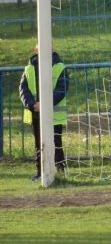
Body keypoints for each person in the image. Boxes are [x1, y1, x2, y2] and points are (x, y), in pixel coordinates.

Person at [19, 44, 69, 181]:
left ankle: (61, 171)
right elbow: (23, 90)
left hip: (54, 114)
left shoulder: (60, 67)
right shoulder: (29, 68)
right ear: (36, 50)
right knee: (39, 144)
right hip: (35, 113)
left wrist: (45, 104)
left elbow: (61, 89)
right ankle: (41, 173)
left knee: (56, 142)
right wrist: (32, 104)